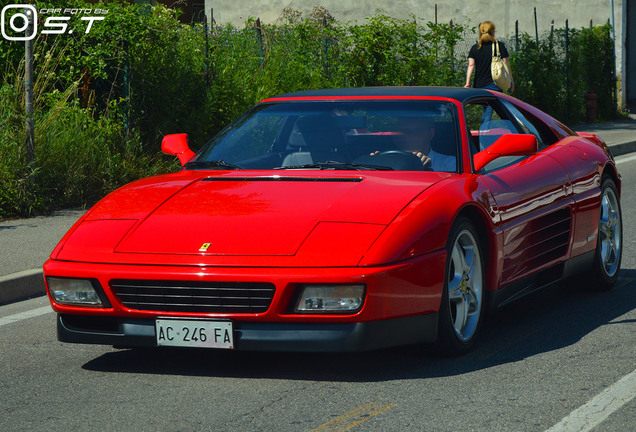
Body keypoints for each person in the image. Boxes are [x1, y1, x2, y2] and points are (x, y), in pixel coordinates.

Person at [372, 117, 456, 172]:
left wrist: (428, 172)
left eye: (416, 131)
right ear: (395, 137)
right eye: (402, 131)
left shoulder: (450, 164)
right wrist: (371, 166)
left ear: (431, 133)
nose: (409, 136)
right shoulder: (384, 164)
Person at [464, 21, 514, 93]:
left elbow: (471, 65)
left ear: (480, 32)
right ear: (493, 32)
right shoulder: (499, 46)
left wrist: (467, 83)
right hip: (495, 83)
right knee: (495, 104)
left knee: (484, 103)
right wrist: (511, 82)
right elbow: (506, 63)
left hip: (479, 84)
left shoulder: (475, 48)